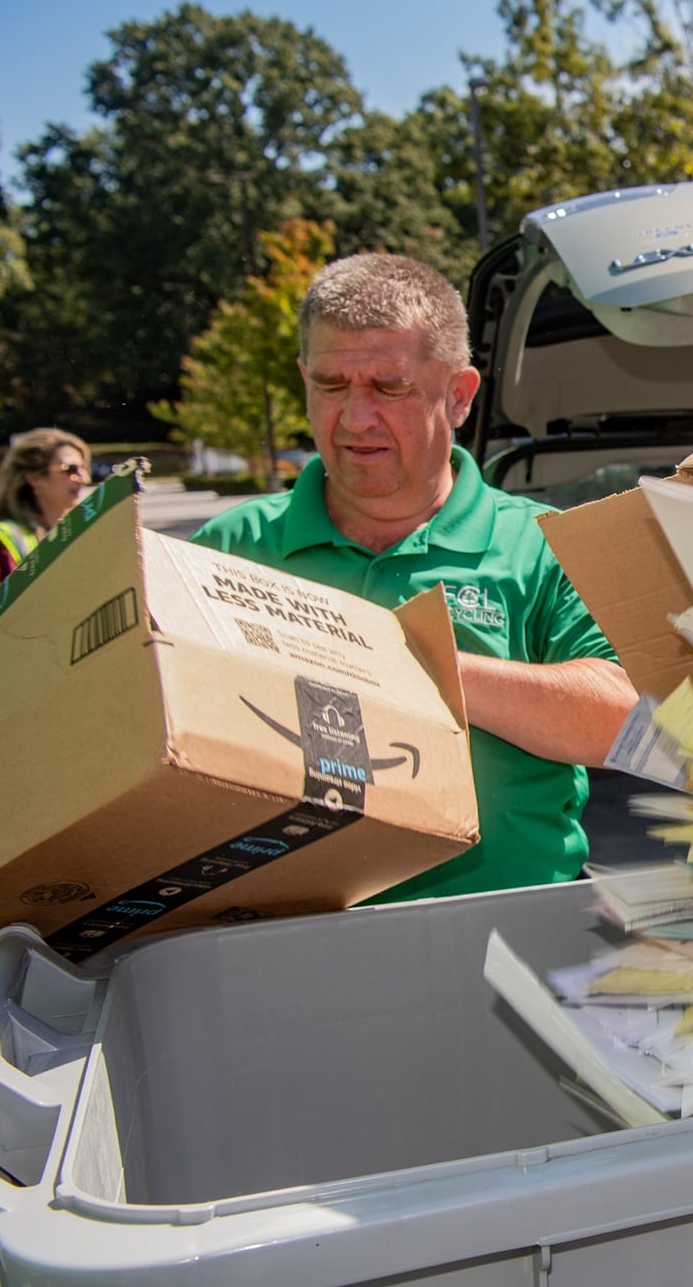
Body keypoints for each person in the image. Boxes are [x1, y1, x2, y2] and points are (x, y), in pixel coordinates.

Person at [193, 253, 638, 902]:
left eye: (388, 386)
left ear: (459, 395)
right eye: (330, 384)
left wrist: (393, 664)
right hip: (281, 942)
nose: (354, 418)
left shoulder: (545, 543)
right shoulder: (231, 546)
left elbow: (622, 719)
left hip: (505, 940)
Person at [0, 427, 94, 609]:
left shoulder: (83, 532)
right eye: (70, 469)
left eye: (84, 468)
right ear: (34, 478)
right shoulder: (4, 536)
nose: (84, 478)